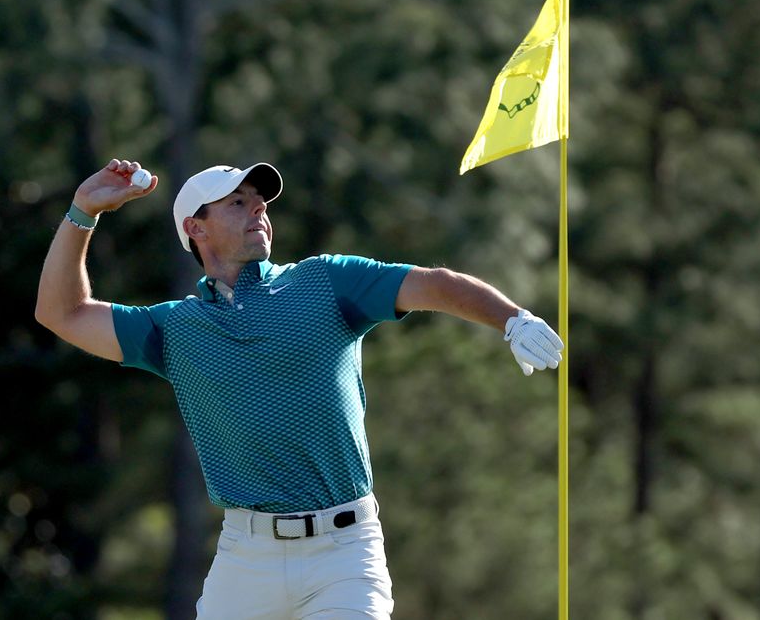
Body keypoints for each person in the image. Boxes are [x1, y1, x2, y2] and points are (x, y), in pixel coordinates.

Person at [35, 158, 563, 619]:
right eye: (238, 203)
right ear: (196, 228)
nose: (258, 210)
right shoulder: (173, 329)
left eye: (261, 201)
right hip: (245, 557)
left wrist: (512, 319)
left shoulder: (325, 282)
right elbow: (61, 313)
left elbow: (433, 283)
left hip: (345, 549)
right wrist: (84, 211)